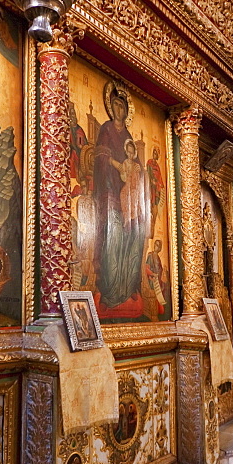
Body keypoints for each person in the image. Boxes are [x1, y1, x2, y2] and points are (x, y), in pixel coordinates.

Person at [93, 85, 149, 311]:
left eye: (122, 106)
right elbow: (101, 154)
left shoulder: (128, 136)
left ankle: (126, 288)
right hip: (110, 192)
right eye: (115, 104)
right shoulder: (106, 129)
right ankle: (110, 289)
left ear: (126, 112)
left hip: (129, 200)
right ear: (111, 108)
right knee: (112, 240)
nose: (118, 109)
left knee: (132, 239)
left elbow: (135, 164)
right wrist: (117, 165)